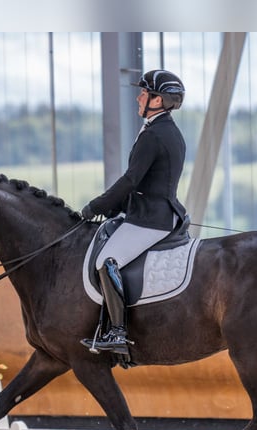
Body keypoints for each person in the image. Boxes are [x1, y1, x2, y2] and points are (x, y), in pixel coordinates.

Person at [80, 69, 188, 355]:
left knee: (106, 260)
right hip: (150, 210)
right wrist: (117, 207)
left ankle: (117, 332)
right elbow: (145, 182)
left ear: (159, 100)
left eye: (144, 93)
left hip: (151, 218)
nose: (138, 97)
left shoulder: (156, 134)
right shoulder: (161, 129)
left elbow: (131, 180)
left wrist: (97, 206)